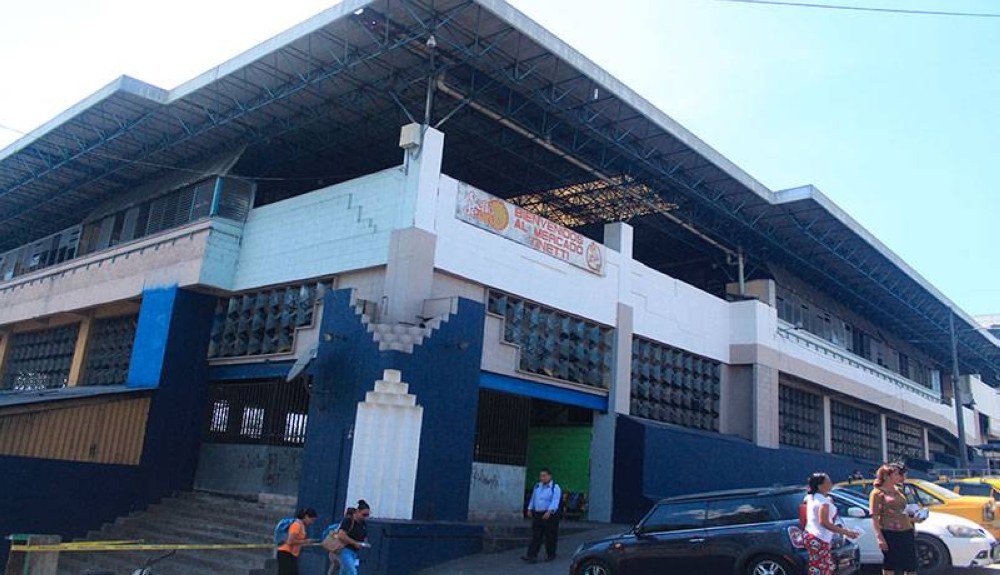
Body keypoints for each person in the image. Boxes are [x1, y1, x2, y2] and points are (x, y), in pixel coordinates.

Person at [870, 463, 923, 575]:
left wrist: (914, 520)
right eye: (896, 474)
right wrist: (880, 538)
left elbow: (903, 512)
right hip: (889, 532)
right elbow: (874, 517)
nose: (899, 476)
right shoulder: (877, 493)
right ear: (886, 476)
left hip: (906, 530)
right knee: (891, 563)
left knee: (911, 564)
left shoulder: (900, 489)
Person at [804, 473, 860, 575]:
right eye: (828, 482)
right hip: (819, 538)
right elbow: (824, 522)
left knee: (820, 566)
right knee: (823, 568)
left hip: (812, 535)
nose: (831, 484)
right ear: (820, 486)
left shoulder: (811, 497)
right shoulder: (823, 502)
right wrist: (847, 532)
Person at [521, 468, 562, 563]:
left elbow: (555, 500)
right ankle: (531, 555)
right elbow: (533, 498)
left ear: (549, 476)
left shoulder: (555, 487)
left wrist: (549, 511)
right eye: (541, 476)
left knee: (550, 535)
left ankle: (551, 554)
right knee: (536, 535)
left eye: (544, 476)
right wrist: (530, 508)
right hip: (538, 514)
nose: (542, 478)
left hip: (549, 515)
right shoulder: (537, 486)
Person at [278, 508, 318, 575]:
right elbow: (290, 541)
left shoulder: (301, 525)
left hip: (292, 554)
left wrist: (306, 542)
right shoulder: (297, 525)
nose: (312, 522)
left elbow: (297, 541)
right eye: (312, 520)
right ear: (306, 516)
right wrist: (305, 541)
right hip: (286, 553)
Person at [336, 500, 372, 575]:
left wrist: (364, 543)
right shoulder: (349, 520)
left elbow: (364, 536)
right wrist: (354, 543)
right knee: (353, 572)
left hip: (354, 552)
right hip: (344, 550)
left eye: (367, 515)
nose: (365, 517)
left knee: (344, 572)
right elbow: (341, 535)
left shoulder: (363, 523)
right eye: (364, 515)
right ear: (358, 511)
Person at [321, 508, 356, 575]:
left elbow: (325, 532)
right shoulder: (349, 525)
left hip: (333, 549)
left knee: (334, 565)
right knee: (343, 567)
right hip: (340, 549)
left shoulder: (338, 524)